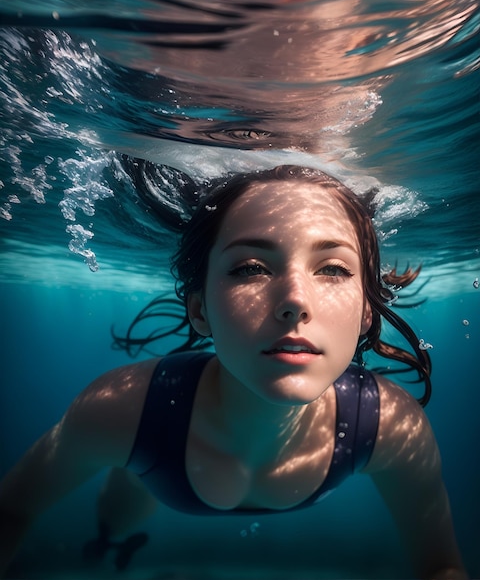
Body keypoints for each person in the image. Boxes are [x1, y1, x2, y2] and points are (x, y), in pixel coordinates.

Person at [0, 163, 467, 579]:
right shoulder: (121, 411)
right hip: (153, 446)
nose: (295, 303)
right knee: (116, 520)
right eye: (250, 268)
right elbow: (13, 508)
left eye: (332, 269)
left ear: (367, 311)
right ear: (200, 311)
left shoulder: (389, 425)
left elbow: (442, 564)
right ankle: (112, 533)